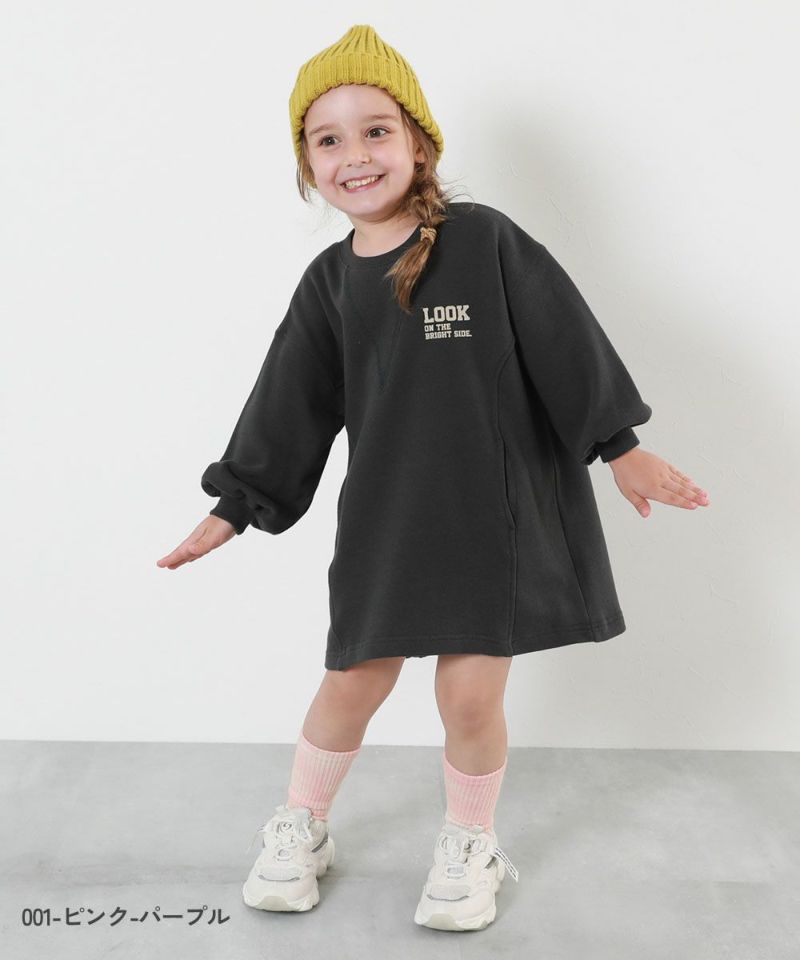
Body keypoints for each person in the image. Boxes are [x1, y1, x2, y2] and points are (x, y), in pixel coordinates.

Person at [156, 24, 711, 932]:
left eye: (376, 130)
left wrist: (622, 446)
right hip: (389, 522)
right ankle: (301, 824)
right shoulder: (328, 285)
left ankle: (469, 841)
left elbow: (565, 342)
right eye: (328, 139)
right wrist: (235, 507)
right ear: (307, 166)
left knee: (468, 694)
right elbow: (287, 404)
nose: (355, 155)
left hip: (493, 517)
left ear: (419, 143)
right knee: (351, 681)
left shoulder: (483, 242)